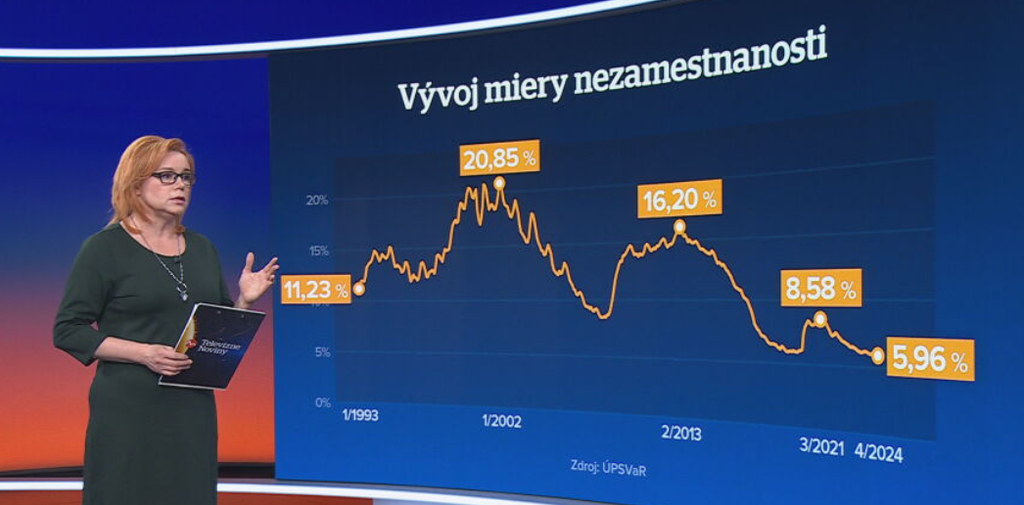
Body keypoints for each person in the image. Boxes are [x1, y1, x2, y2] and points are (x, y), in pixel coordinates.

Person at [53, 135, 279, 505]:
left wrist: (245, 300)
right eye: (167, 176)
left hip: (191, 409)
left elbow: (216, 332)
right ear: (135, 184)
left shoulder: (202, 248)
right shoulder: (104, 248)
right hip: (128, 409)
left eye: (186, 177)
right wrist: (144, 354)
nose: (180, 185)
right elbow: (67, 330)